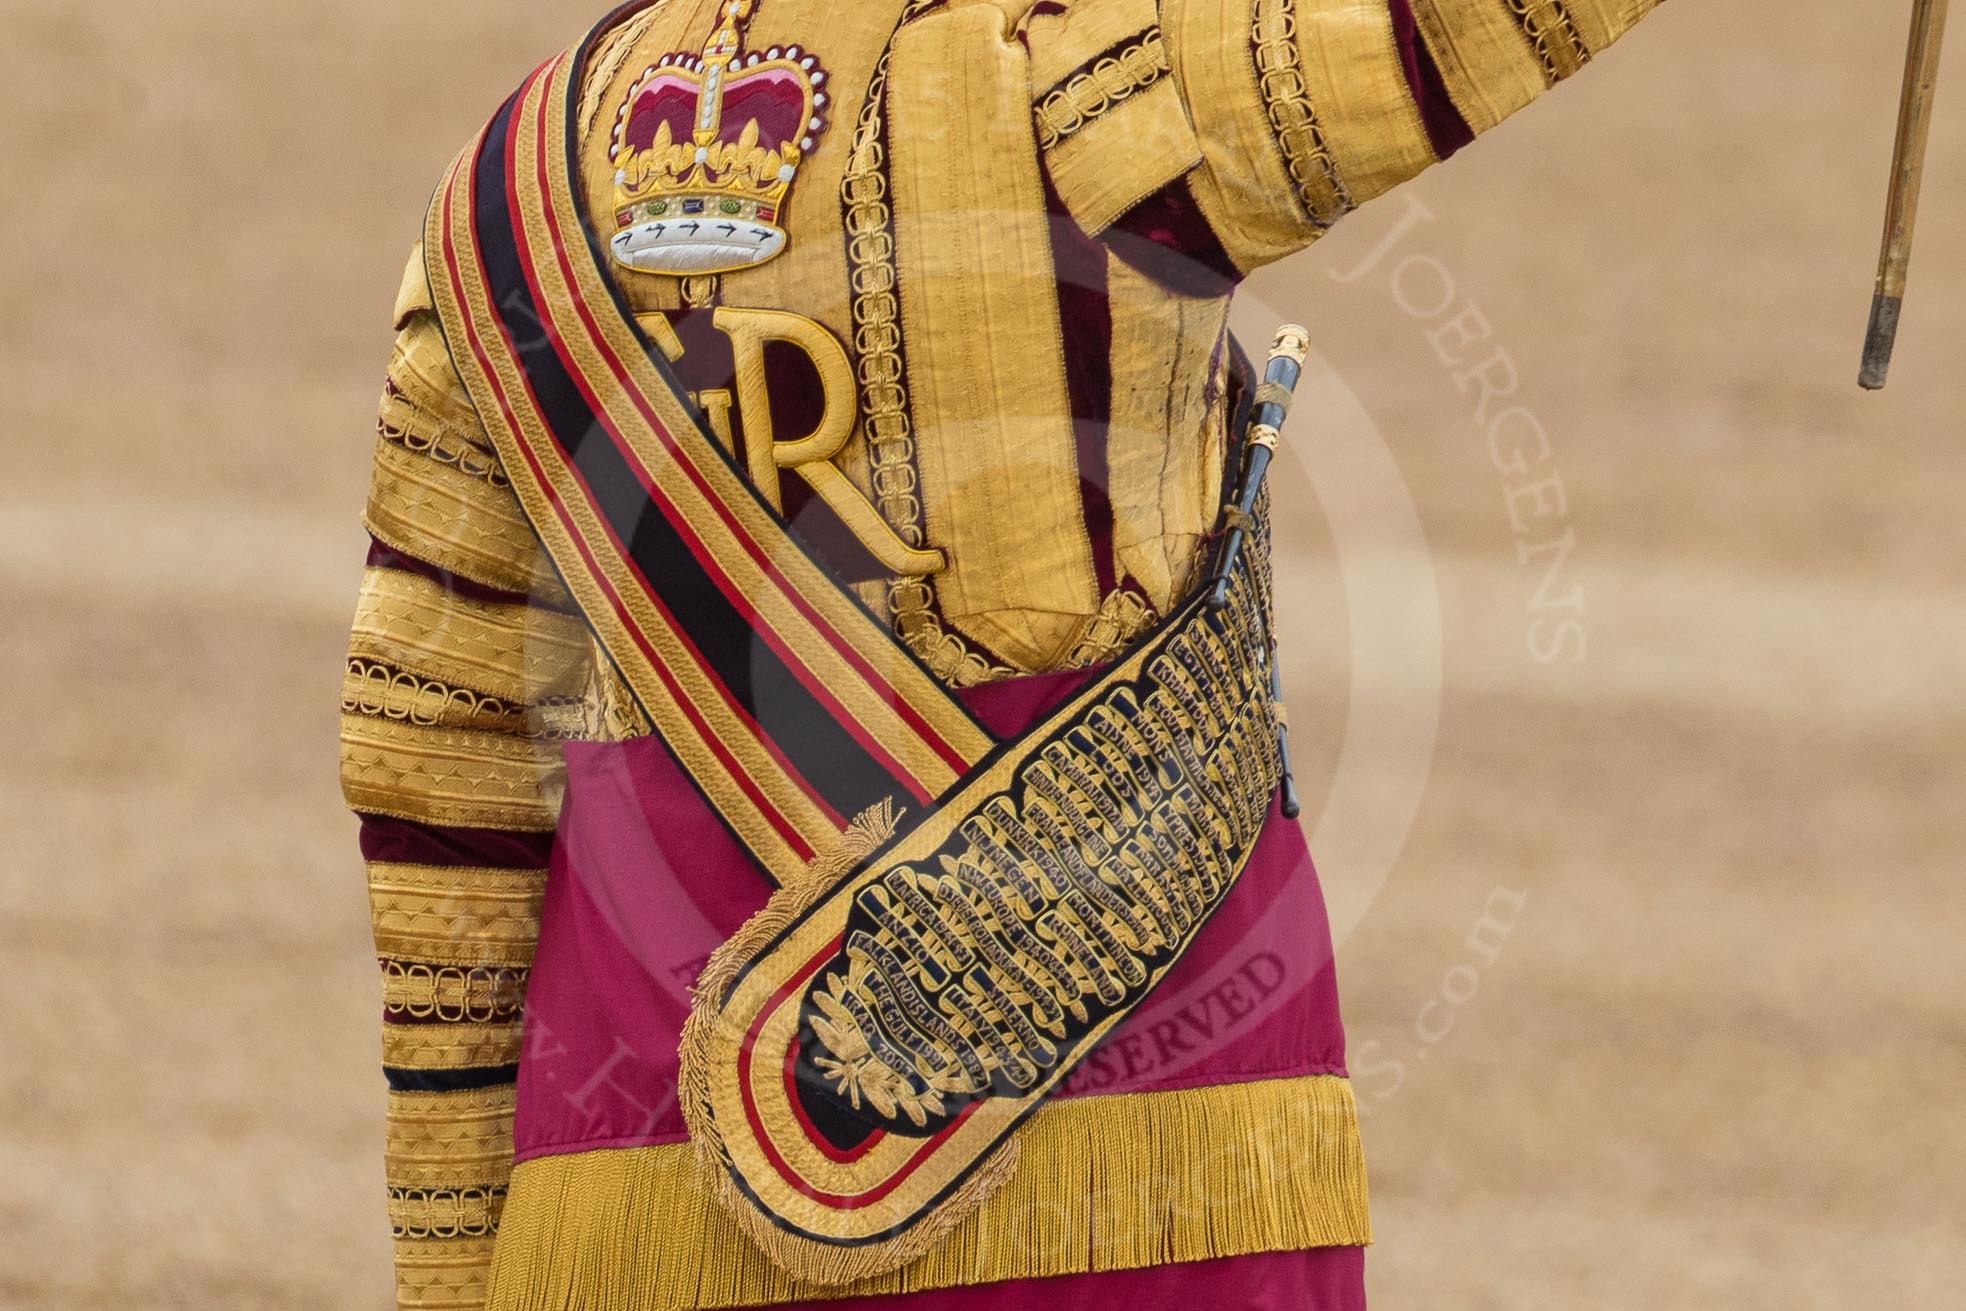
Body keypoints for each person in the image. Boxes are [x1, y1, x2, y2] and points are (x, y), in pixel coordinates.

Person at [341, 1, 1661, 1307]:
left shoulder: (502, 197)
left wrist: (454, 1255)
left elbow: (429, 761)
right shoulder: (1078, 74)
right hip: (1138, 1156)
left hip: (626, 1157)